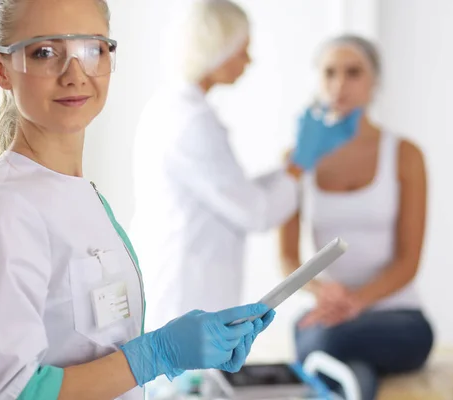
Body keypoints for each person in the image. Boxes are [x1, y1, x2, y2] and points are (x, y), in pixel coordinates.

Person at [0, 1, 278, 399]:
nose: (74, 75)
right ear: (1, 69)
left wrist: (185, 350)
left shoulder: (83, 196)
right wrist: (157, 354)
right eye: (45, 52)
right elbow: (15, 394)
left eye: (92, 49)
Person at [129, 0, 361, 332]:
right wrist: (299, 163)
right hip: (183, 291)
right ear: (217, 48)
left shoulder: (177, 109)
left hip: (186, 282)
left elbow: (237, 190)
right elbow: (255, 212)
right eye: (243, 49)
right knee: (189, 376)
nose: (248, 61)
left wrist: (295, 165)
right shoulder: (190, 121)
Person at [279, 35, 434, 400]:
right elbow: (287, 258)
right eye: (329, 73)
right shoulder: (298, 159)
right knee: (342, 362)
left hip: (399, 319)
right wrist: (322, 292)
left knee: (323, 341)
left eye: (353, 73)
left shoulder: (405, 154)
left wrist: (356, 302)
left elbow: (408, 261)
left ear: (374, 82)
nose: (339, 85)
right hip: (327, 313)